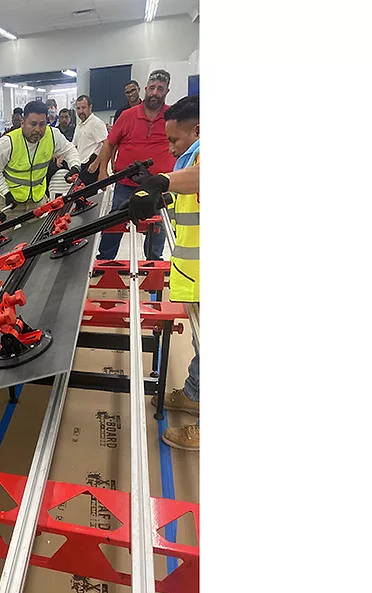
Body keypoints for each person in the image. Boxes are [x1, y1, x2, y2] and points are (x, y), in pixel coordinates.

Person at [90, 69, 176, 264]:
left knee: (158, 228)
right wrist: (103, 171)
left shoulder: (172, 117)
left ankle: (153, 262)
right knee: (114, 223)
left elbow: (181, 144)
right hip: (126, 183)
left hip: (158, 185)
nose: (155, 92)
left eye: (160, 89)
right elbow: (109, 143)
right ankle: (104, 261)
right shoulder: (127, 116)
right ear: (145, 89)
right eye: (152, 88)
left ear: (167, 91)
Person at [156, 95, 200, 451]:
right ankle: (195, 393)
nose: (170, 148)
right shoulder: (192, 158)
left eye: (175, 140)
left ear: (197, 130)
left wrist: (162, 182)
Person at [0, 100, 80, 214]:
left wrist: (74, 166)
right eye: (33, 124)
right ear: (23, 122)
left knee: (41, 231)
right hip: (8, 202)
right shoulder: (8, 142)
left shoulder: (52, 135)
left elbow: (69, 150)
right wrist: (6, 192)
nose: (37, 129)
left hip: (37, 201)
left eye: (42, 124)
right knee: (3, 232)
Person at [72, 95, 108, 185]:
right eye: (78, 108)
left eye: (83, 108)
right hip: (82, 165)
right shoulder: (79, 125)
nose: (81, 111)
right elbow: (73, 145)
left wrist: (96, 163)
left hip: (92, 165)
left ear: (90, 107)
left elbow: (107, 144)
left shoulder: (96, 123)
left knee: (87, 196)